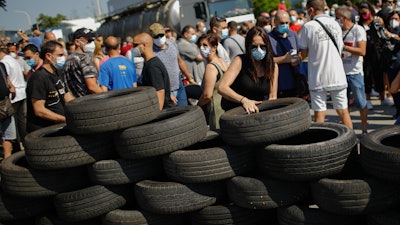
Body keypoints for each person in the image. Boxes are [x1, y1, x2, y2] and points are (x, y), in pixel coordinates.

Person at [299, 0, 353, 129]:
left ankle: (321, 145)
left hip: (318, 76)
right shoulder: (335, 24)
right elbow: (340, 49)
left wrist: (293, 59)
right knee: (343, 112)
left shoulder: (309, 26)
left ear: (311, 10)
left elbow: (303, 53)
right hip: (337, 74)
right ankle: (352, 144)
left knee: (319, 115)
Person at [218, 26, 278, 114]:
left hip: (258, 113)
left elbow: (272, 97)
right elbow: (222, 87)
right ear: (248, 46)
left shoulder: (273, 66)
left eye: (262, 46)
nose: (259, 50)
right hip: (236, 113)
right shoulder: (239, 61)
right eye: (254, 46)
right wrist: (244, 100)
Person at [26, 41, 74, 133]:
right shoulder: (39, 78)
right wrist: (65, 119)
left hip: (59, 126)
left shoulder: (58, 73)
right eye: (60, 55)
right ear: (48, 56)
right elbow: (39, 110)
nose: (63, 58)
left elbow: (67, 96)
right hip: (44, 131)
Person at [337, 7, 369, 135]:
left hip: (355, 73)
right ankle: (348, 132)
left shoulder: (358, 30)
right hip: (340, 73)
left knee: (361, 103)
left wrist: (344, 47)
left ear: (344, 18)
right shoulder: (337, 30)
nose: (336, 20)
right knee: (343, 105)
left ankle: (364, 129)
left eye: (337, 17)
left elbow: (362, 51)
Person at [149, 22, 196, 106]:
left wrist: (189, 78)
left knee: (184, 113)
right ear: (151, 37)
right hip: (166, 91)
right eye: (156, 36)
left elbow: (180, 61)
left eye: (161, 35)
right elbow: (153, 76)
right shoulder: (151, 52)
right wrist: (167, 93)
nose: (159, 38)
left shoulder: (172, 44)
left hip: (179, 86)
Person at [358, 1, 393, 108]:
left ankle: (383, 98)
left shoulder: (377, 21)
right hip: (365, 52)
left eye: (365, 12)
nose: (364, 15)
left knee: (379, 75)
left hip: (377, 51)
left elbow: (383, 35)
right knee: (366, 75)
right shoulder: (359, 23)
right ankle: (367, 99)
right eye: (362, 13)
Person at [133, 33, 174, 110]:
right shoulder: (148, 63)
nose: (133, 48)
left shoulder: (152, 66)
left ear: (144, 45)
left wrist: (155, 116)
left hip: (163, 112)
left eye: (135, 45)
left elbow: (160, 92)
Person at [197, 33, 228, 130]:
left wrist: (197, 106)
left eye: (205, 45)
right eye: (200, 46)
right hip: (226, 108)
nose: (202, 48)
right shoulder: (222, 62)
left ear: (214, 47)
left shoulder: (211, 67)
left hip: (216, 112)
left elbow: (207, 95)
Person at [269, 10, 303, 98]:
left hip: (295, 81)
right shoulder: (268, 38)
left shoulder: (293, 35)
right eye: (281, 23)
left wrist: (298, 58)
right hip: (280, 84)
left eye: (286, 22)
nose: (284, 25)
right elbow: (265, 61)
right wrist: (283, 59)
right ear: (275, 22)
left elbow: (300, 52)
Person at [64, 28, 103, 97]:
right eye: (89, 41)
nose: (92, 44)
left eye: (93, 40)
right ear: (77, 42)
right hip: (89, 102)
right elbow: (92, 87)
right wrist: (105, 97)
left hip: (75, 102)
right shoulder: (85, 58)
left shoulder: (68, 59)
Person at [0, 46, 27, 143]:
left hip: (14, 95)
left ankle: (16, 143)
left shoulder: (4, 63)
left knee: (13, 122)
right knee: (21, 121)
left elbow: (6, 78)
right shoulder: (13, 60)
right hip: (21, 92)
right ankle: (23, 141)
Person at [0, 62, 17, 159]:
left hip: (5, 104)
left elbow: (6, 78)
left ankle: (7, 159)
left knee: (8, 135)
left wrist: (11, 87)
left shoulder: (1, 65)